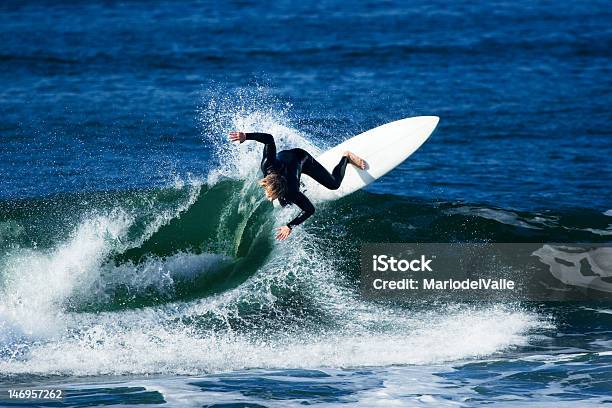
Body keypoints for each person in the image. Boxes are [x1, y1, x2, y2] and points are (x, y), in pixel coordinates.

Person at [229, 131, 366, 240]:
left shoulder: (291, 191)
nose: (269, 198)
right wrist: (246, 136)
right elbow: (269, 138)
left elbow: (309, 209)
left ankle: (346, 157)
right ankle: (299, 180)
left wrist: (290, 226)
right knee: (285, 203)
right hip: (285, 158)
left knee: (334, 184)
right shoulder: (268, 164)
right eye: (268, 192)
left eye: (271, 195)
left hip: (301, 159)